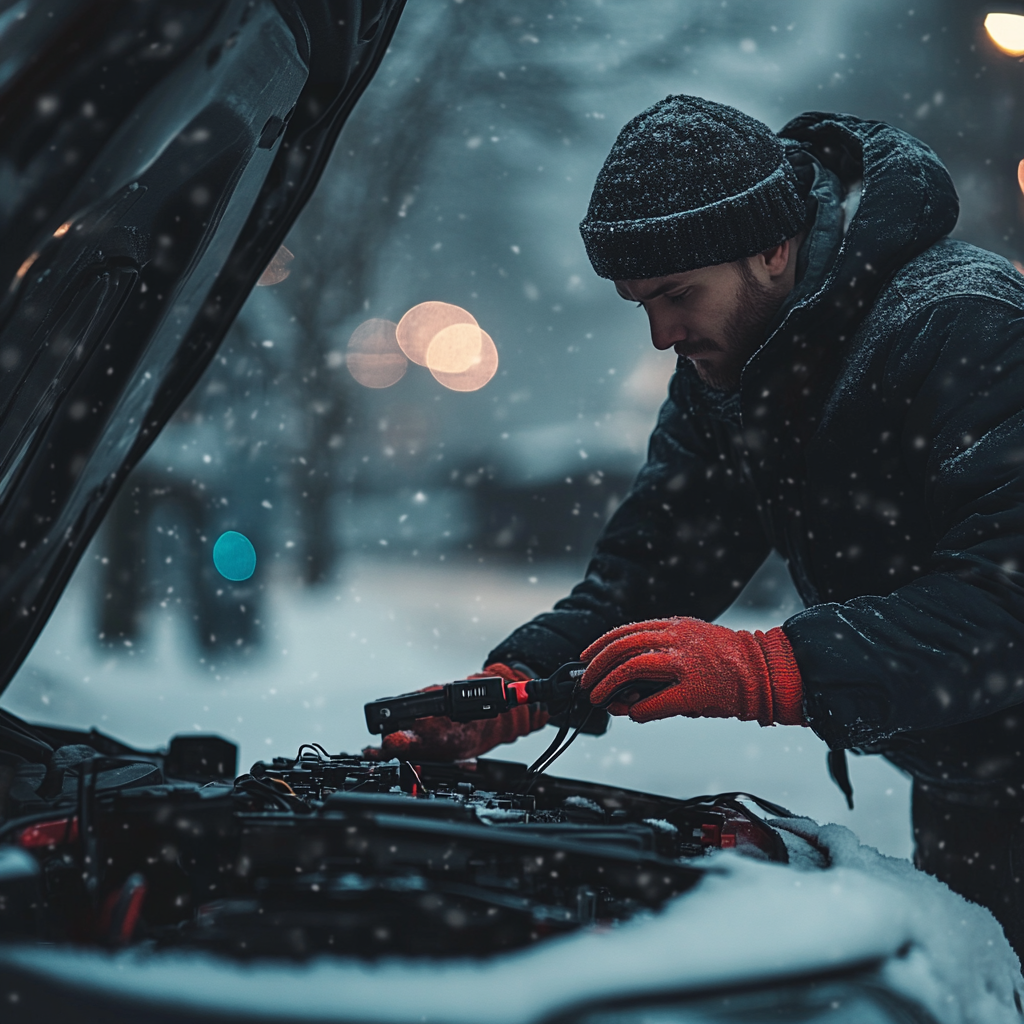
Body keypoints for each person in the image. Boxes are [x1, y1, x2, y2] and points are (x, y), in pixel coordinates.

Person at [366, 95, 1024, 957]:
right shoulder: (735, 370)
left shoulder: (968, 326)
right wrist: (516, 687)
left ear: (772, 246)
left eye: (678, 294)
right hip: (969, 775)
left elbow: (1007, 598)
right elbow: (655, 568)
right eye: (638, 301)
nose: (660, 334)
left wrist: (774, 668)